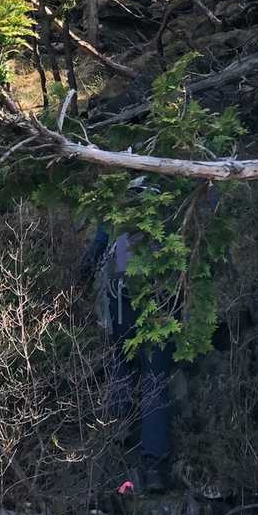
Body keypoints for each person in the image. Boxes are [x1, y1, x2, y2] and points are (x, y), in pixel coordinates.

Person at [81, 202, 175, 496]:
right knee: (154, 382)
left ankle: (112, 449)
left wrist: (77, 282)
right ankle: (153, 467)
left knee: (121, 370)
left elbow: (98, 245)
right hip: (158, 310)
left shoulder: (117, 200)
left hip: (121, 309)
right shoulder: (174, 201)